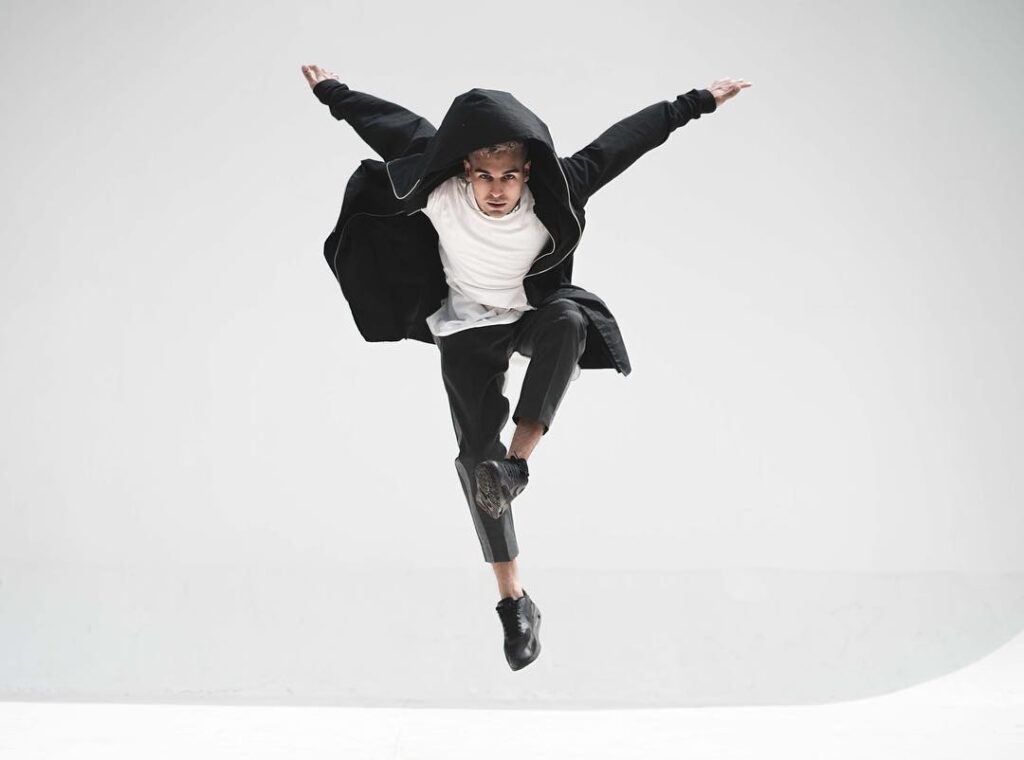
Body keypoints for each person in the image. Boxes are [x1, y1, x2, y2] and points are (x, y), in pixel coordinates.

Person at [302, 64, 751, 670]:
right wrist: (333, 93)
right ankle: (514, 602)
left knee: (569, 318)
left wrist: (697, 101)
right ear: (466, 169)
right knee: (473, 462)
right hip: (465, 326)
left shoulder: (561, 186)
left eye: (509, 177)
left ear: (527, 172)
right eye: (485, 177)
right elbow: (386, 124)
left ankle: (516, 466)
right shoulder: (438, 185)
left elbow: (624, 141)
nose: (496, 190)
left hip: (528, 315)